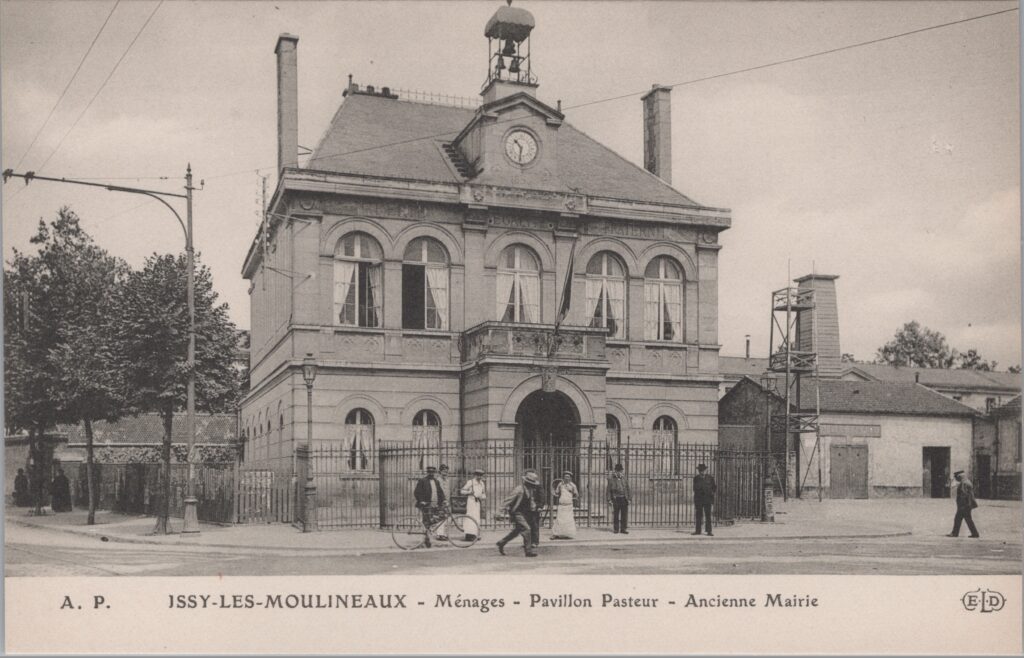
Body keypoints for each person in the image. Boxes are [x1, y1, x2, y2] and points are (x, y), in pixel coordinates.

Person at [497, 471, 541, 557]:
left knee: (517, 531)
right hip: (517, 512)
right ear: (526, 482)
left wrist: (534, 507)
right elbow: (508, 500)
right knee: (527, 529)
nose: (533, 485)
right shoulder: (519, 489)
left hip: (526, 513)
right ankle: (528, 551)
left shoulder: (530, 490)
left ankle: (501, 543)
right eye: (531, 483)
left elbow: (530, 501)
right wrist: (500, 511)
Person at [413, 466, 445, 548]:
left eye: (432, 472)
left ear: (434, 473)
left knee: (441, 517)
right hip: (426, 505)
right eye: (429, 472)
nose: (431, 473)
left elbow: (440, 492)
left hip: (435, 504)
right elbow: (417, 492)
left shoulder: (436, 481)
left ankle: (428, 533)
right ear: (427, 472)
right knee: (427, 522)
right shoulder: (422, 481)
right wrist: (421, 501)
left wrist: (444, 500)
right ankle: (427, 540)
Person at [947, 470, 980, 538]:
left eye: (956, 477)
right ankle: (974, 533)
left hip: (964, 505)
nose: (956, 479)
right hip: (967, 505)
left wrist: (961, 506)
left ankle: (955, 533)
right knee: (967, 519)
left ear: (960, 476)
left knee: (958, 519)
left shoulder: (964, 483)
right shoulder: (966, 481)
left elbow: (963, 495)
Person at [460, 469, 486, 541]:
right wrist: (469, 492)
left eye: (480, 475)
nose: (479, 477)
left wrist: (482, 497)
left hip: (477, 503)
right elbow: (462, 491)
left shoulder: (482, 483)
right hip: (471, 502)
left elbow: (483, 493)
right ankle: (468, 535)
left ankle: (475, 534)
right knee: (470, 517)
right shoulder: (470, 482)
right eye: (478, 475)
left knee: (476, 518)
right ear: (475, 475)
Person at [551, 471, 579, 539]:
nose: (566, 478)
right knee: (559, 519)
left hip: (568, 505)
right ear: (563, 477)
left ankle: (569, 534)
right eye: (565, 477)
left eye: (568, 477)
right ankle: (557, 534)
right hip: (561, 505)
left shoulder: (573, 485)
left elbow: (576, 495)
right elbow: (557, 493)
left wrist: (571, 497)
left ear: (570, 478)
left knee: (568, 520)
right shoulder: (560, 484)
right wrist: (554, 493)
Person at [692, 463, 716, 536]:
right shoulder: (696, 478)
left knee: (708, 515)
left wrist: (711, 494)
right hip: (699, 499)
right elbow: (694, 488)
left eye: (703, 470)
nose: (702, 472)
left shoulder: (710, 478)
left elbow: (714, 487)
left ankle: (709, 531)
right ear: (699, 471)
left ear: (705, 470)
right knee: (698, 515)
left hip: (707, 499)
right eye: (700, 470)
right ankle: (698, 531)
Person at [608, 463, 631, 534]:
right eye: (618, 471)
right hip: (616, 499)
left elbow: (628, 488)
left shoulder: (624, 478)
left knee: (624, 514)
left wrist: (629, 499)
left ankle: (623, 529)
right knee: (616, 514)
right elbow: (608, 490)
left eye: (620, 471)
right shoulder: (611, 479)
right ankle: (616, 529)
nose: (619, 472)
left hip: (624, 498)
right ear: (615, 471)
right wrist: (609, 499)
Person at [436, 464, 451, 540]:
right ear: (440, 471)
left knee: (446, 518)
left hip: (446, 501)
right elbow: (438, 492)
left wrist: (448, 500)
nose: (445, 473)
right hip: (440, 502)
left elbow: (447, 491)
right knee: (441, 518)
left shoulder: (447, 480)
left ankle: (444, 534)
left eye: (446, 471)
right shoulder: (438, 480)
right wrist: (442, 500)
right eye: (444, 471)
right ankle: (439, 534)